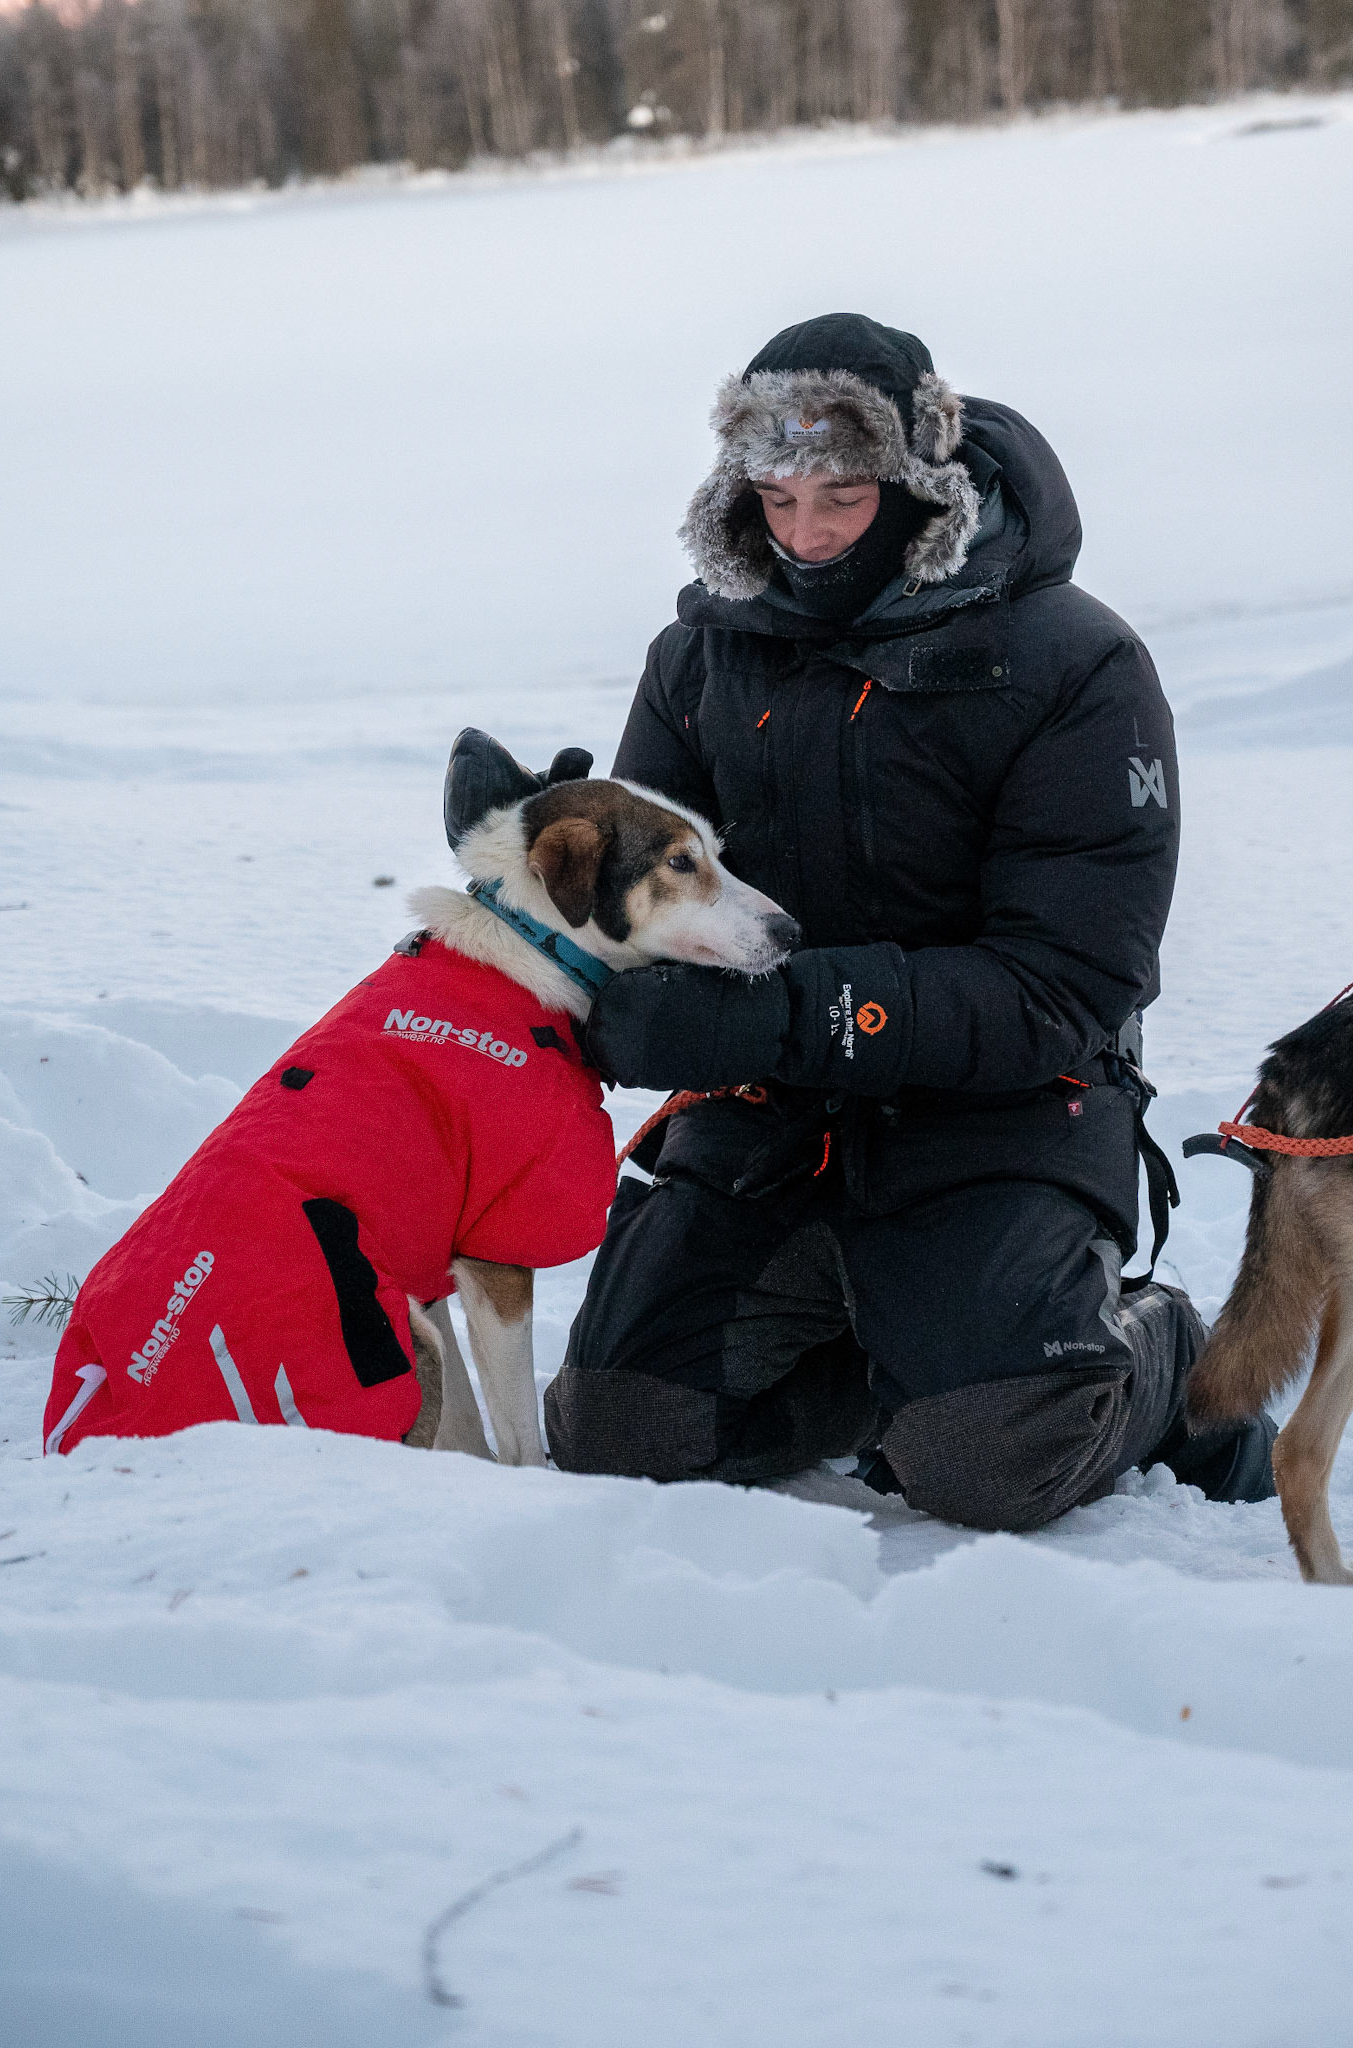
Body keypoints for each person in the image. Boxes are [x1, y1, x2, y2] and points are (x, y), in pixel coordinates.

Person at [541, 312, 1276, 1530]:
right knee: (620, 1432)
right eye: (776, 498)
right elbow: (643, 909)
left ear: (918, 481)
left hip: (1006, 1110)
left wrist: (784, 1014)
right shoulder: (698, 657)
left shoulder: (1074, 662)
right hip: (771, 1124)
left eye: (842, 495)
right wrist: (549, 923)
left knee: (991, 1459)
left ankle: (1161, 1357)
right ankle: (890, 1362)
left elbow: (1065, 984)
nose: (807, 533)